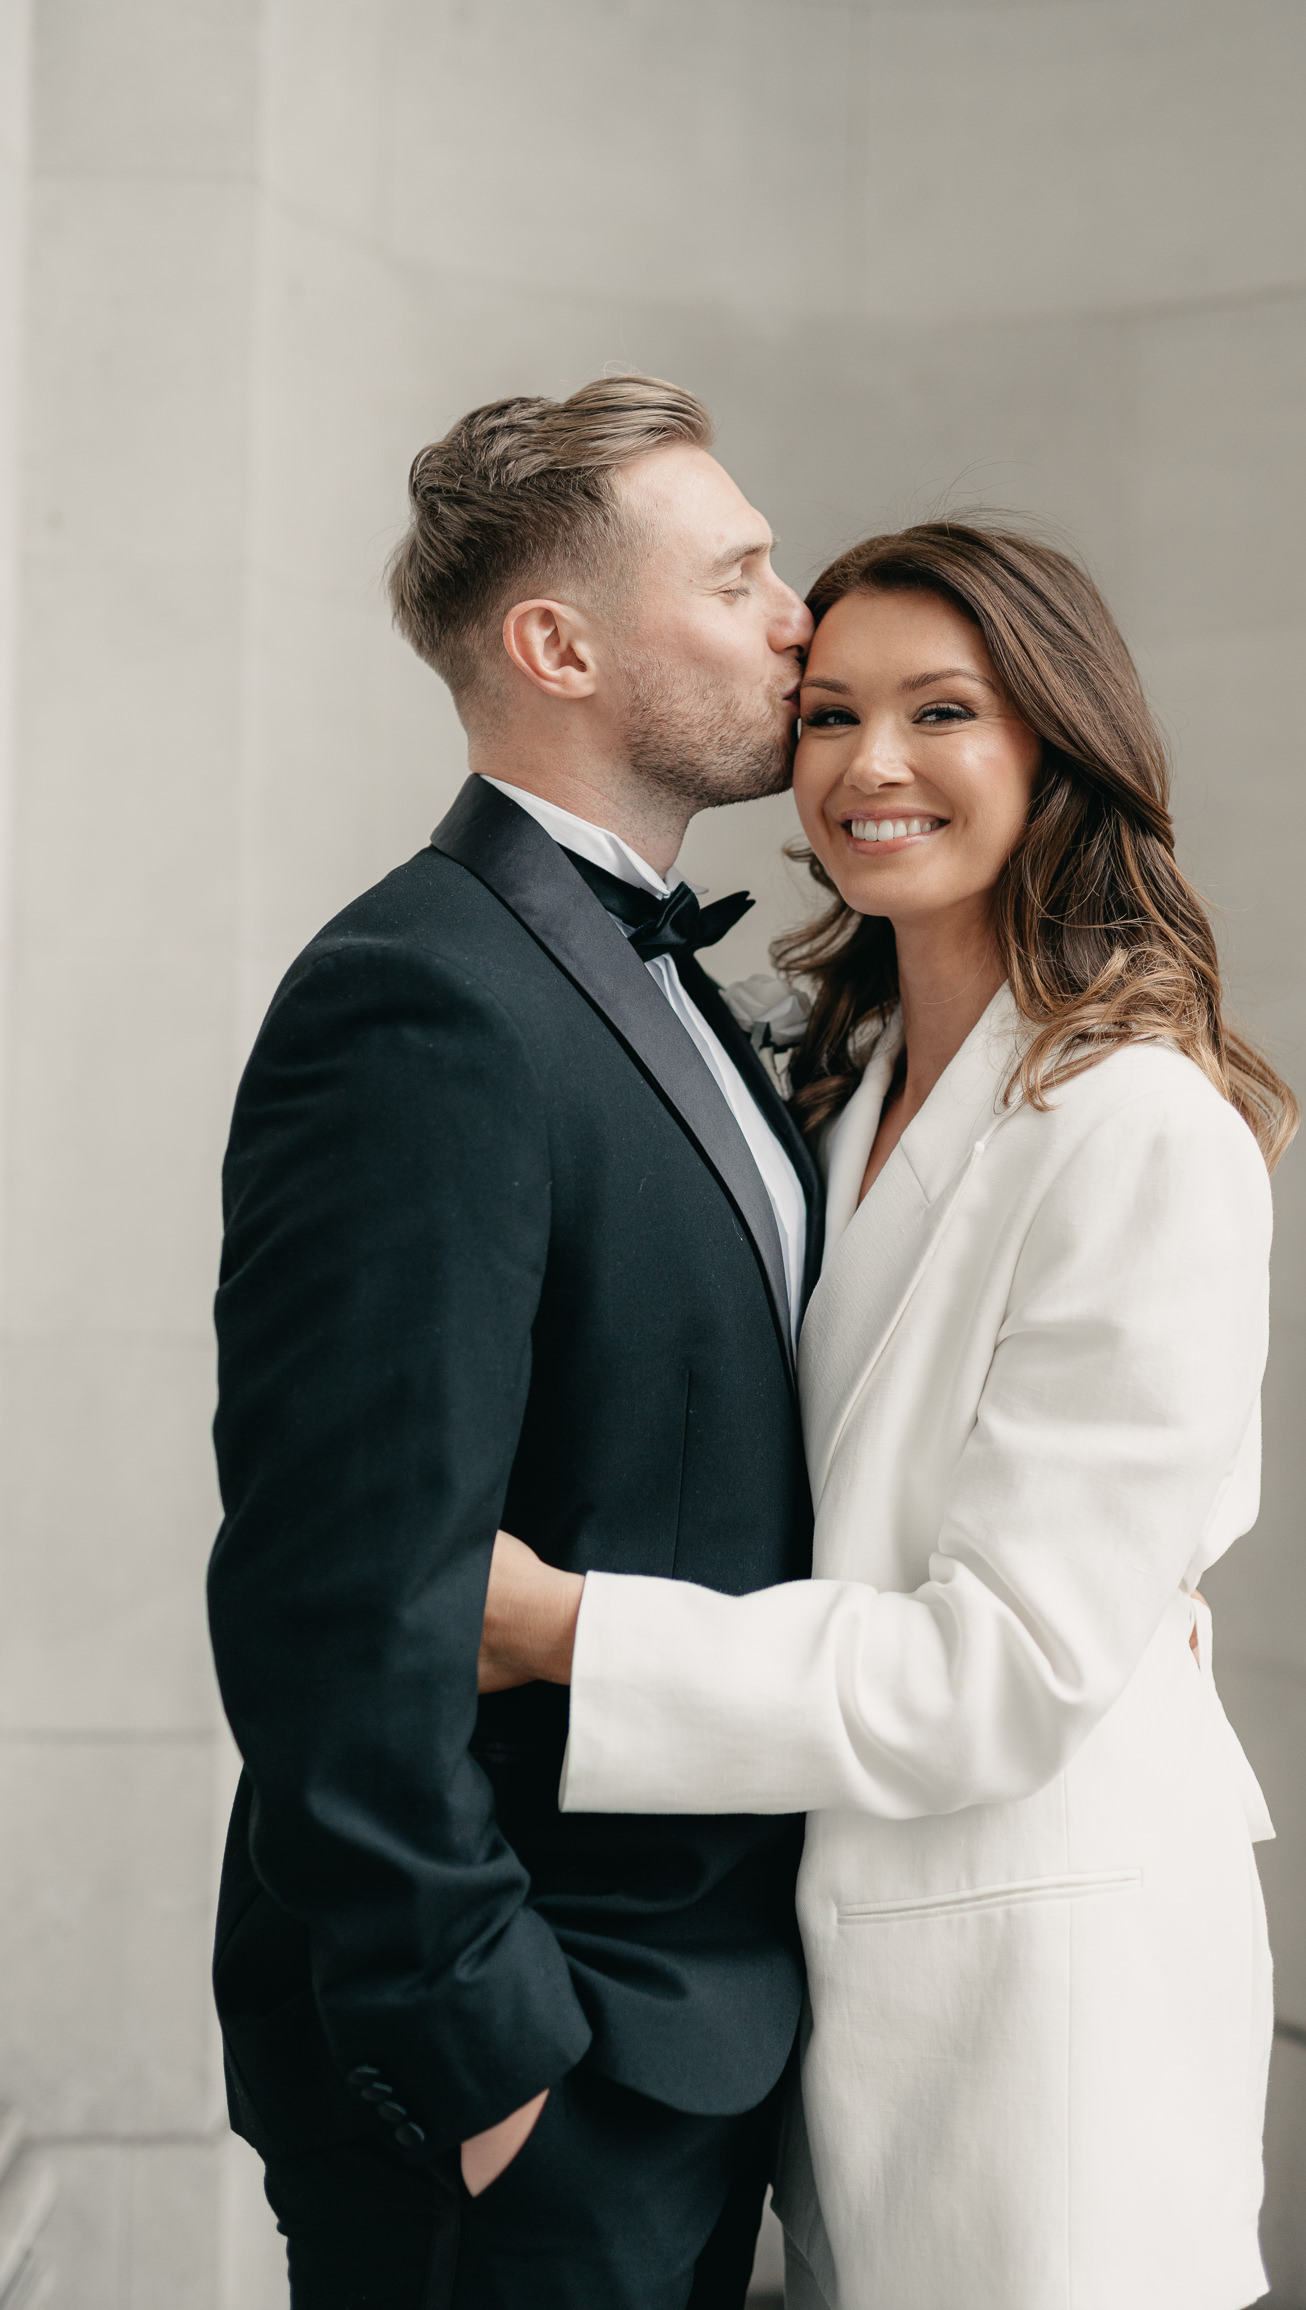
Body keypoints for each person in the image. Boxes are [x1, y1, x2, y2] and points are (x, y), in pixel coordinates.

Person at [477, 520, 1300, 2310]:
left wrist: (563, 1635)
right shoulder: (834, 1100)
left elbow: (1000, 1667)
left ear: (1055, 749)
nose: (873, 766)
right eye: (832, 712)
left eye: (946, 711)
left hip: (1054, 1994)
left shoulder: (1143, 1129)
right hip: (853, 1983)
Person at [205, 375, 824, 2310]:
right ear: (557, 645)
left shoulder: (652, 971)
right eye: (739, 576)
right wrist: (493, 2068)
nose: (798, 613)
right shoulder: (424, 997)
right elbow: (341, 1597)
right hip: (540, 2072)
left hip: (697, 2030)